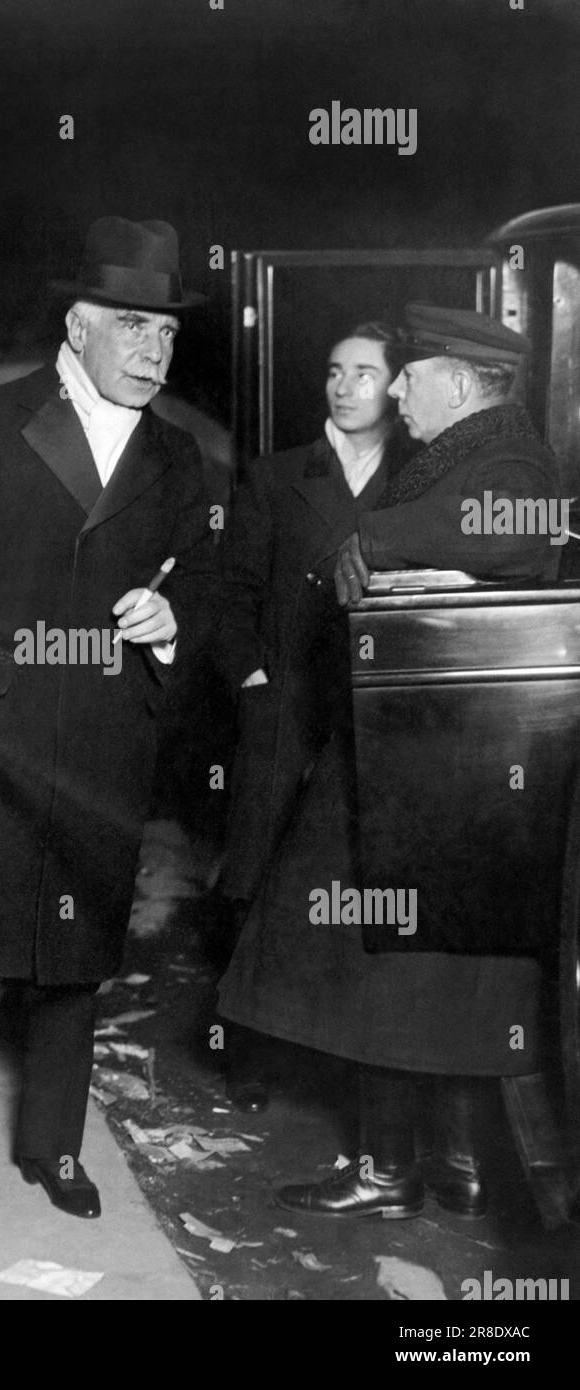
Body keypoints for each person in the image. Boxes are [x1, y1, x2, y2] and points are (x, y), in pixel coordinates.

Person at [0, 217, 216, 1256]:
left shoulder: (177, 456)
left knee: (75, 958)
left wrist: (176, 624)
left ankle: (54, 1146)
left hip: (104, 733)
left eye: (165, 333)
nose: (153, 351)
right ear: (76, 325)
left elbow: (202, 585)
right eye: (131, 326)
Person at [217, 304, 561, 1219]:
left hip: (432, 778)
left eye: (411, 373)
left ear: (459, 381)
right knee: (404, 976)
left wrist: (374, 538)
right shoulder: (463, 455)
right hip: (420, 766)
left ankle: (393, 1172)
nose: (395, 387)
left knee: (397, 972)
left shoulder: (507, 461)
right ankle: (430, 1166)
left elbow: (520, 530)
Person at [215, 322, 415, 1113]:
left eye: (363, 373)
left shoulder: (419, 478)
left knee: (348, 886)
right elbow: (230, 593)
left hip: (373, 715)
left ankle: (340, 1053)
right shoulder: (275, 476)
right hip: (285, 707)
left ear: (395, 387)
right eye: (334, 371)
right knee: (256, 877)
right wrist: (253, 677)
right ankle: (252, 1054)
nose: (343, 385)